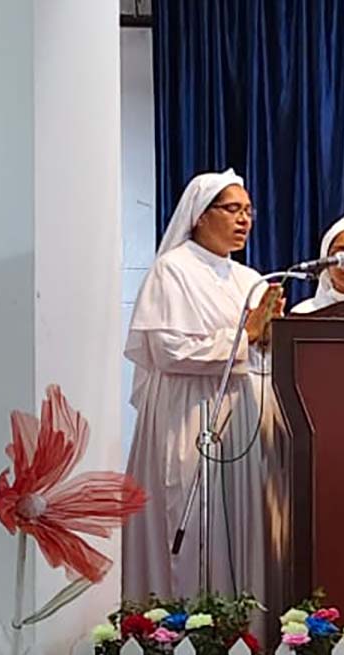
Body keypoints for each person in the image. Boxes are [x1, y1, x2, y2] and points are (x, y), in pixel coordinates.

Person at [123, 170, 281, 601]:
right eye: (232, 209)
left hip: (240, 416)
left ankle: (241, 627)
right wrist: (246, 336)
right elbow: (167, 349)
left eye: (249, 210)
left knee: (240, 525)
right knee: (190, 521)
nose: (244, 219)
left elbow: (259, 353)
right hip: (187, 412)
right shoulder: (172, 270)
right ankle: (185, 623)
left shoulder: (250, 279)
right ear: (199, 215)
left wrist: (268, 336)